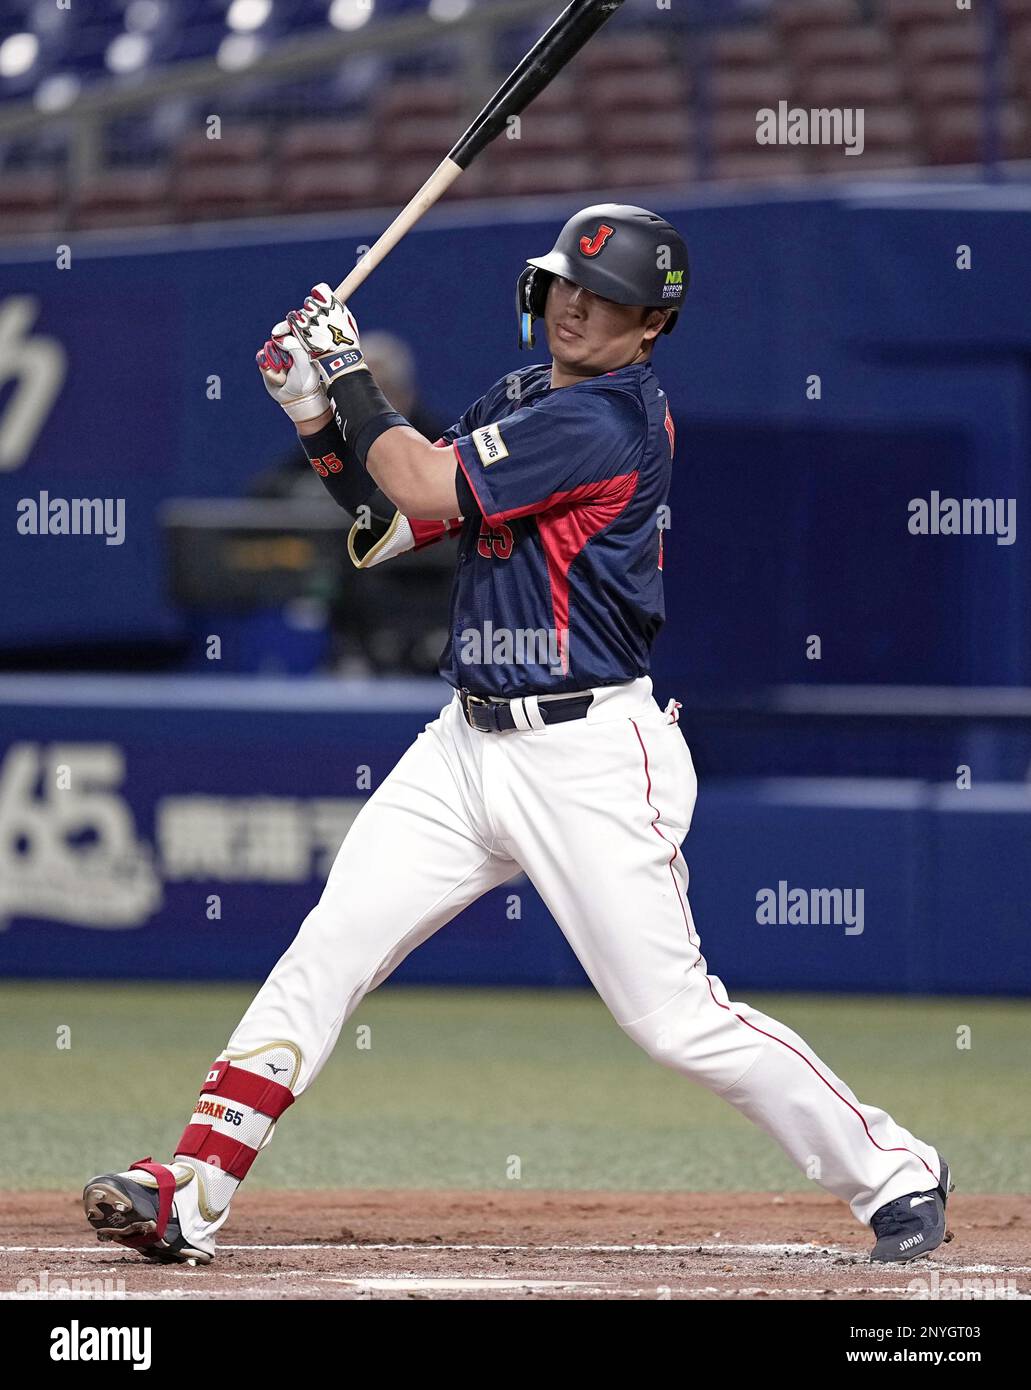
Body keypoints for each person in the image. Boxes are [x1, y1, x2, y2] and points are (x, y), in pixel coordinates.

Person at [82, 204, 953, 1267]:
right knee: (329, 946)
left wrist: (347, 373)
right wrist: (314, 415)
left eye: (610, 297)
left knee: (673, 1020)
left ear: (651, 325)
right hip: (464, 743)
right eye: (568, 284)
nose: (577, 306)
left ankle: (894, 1170)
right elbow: (391, 524)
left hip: (587, 754)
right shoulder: (521, 397)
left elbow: (417, 477)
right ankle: (193, 1186)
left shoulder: (609, 421)